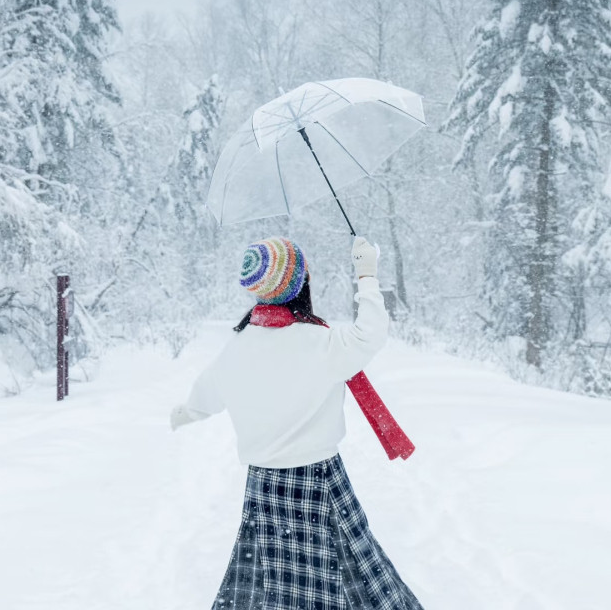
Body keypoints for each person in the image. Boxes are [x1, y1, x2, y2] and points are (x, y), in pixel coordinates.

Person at [171, 236, 424, 610]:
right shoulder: (321, 343)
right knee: (349, 566)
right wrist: (366, 273)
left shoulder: (236, 350)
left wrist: (180, 416)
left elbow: (201, 400)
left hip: (264, 486)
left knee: (268, 578)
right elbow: (371, 333)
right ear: (300, 284)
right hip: (320, 482)